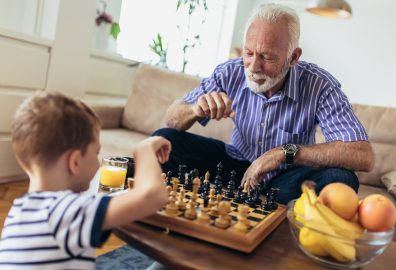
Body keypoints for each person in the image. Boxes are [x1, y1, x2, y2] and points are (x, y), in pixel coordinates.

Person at [152, 3, 374, 204]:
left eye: (267, 57)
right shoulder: (230, 72)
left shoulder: (320, 86)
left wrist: (283, 153)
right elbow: (171, 120)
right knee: (164, 140)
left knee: (341, 180)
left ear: (293, 57)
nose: (253, 67)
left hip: (287, 177)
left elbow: (363, 155)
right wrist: (194, 109)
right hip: (235, 165)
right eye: (249, 53)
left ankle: (269, 204)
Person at [0, 91, 170, 269]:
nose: (98, 162)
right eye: (96, 152)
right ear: (74, 162)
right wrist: (144, 149)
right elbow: (154, 196)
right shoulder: (66, 212)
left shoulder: (21, 210)